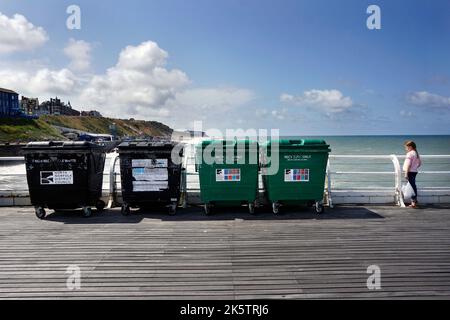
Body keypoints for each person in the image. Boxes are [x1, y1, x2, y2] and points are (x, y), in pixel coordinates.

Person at [403, 141, 422, 208]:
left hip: (410, 172)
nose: (405, 148)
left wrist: (406, 174)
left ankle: (413, 202)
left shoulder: (409, 154)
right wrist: (415, 167)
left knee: (412, 187)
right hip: (414, 171)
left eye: (406, 147)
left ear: (410, 147)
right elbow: (420, 163)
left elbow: (408, 164)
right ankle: (414, 201)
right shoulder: (416, 153)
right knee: (413, 185)